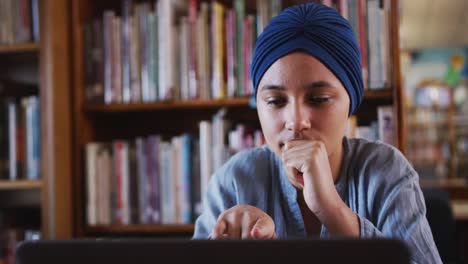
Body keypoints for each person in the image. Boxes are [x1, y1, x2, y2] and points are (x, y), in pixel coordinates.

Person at [192, 3, 442, 263]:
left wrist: (333, 210)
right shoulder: (233, 182)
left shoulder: (386, 172)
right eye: (275, 101)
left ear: (350, 102)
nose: (296, 121)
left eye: (319, 98)